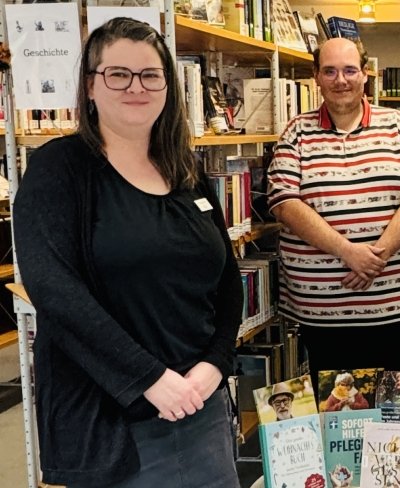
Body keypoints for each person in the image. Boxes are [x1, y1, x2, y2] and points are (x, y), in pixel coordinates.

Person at [13, 17, 242, 486]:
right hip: (113, 424)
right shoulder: (59, 169)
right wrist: (150, 378)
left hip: (202, 409)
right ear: (90, 85)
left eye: (150, 75)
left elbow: (226, 280)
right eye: (118, 74)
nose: (136, 87)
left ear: (168, 86)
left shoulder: (185, 169)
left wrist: (215, 363)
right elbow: (55, 292)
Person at [267, 37, 400, 388]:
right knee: (337, 406)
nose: (340, 80)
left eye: (349, 70)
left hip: (397, 304)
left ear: (364, 74)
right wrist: (348, 252)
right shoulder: (296, 132)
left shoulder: (397, 125)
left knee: (396, 404)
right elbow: (284, 202)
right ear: (316, 76)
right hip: (323, 310)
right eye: (330, 71)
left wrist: (376, 257)